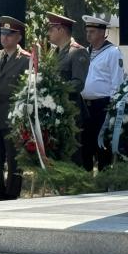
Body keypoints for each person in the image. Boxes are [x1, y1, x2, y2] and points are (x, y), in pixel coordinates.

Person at [0, 17, 30, 200]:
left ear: (18, 37)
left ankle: (12, 195)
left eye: (9, 34)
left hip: (13, 116)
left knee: (14, 159)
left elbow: (29, 90)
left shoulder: (26, 60)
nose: (4, 38)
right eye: (3, 33)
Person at [80, 15, 124, 172]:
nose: (88, 34)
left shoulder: (113, 52)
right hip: (86, 106)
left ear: (101, 33)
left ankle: (104, 183)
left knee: (102, 147)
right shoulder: (85, 52)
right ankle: (85, 183)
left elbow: (116, 82)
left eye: (92, 31)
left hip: (102, 105)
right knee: (85, 146)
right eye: (87, 31)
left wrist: (113, 108)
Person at [46, 11, 90, 165]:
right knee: (57, 155)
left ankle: (74, 188)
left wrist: (56, 88)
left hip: (71, 112)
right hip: (55, 112)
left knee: (72, 156)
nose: (48, 33)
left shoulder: (77, 51)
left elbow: (78, 83)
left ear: (61, 30)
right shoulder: (54, 52)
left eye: (51, 29)